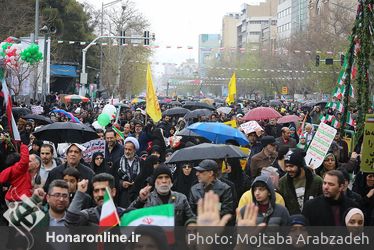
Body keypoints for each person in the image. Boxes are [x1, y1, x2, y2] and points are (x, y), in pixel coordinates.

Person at [129, 166, 195, 226]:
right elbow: (128, 216)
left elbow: (191, 218)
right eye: (160, 178)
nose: (164, 181)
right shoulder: (147, 198)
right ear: (155, 181)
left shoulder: (181, 198)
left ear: (171, 181)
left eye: (167, 177)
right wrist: (140, 200)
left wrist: (191, 224)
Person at [279, 149, 323, 215]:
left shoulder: (317, 181)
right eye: (286, 166)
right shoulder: (283, 182)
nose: (288, 169)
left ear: (300, 166)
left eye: (291, 166)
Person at [117, 137, 142, 208]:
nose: (127, 151)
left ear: (134, 150)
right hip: (122, 196)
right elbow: (113, 178)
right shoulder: (118, 162)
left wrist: (137, 182)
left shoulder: (141, 162)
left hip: (137, 195)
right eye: (125, 149)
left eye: (130, 149)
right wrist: (121, 183)